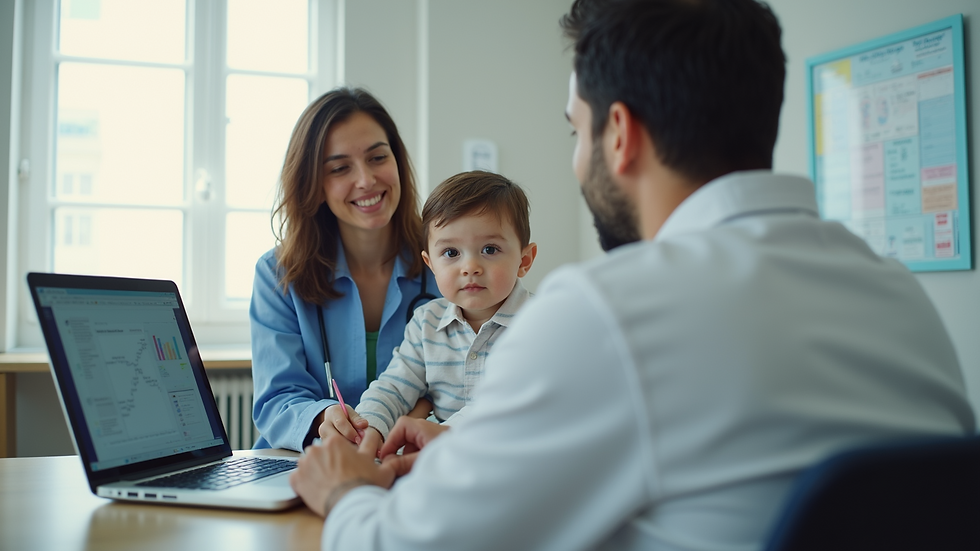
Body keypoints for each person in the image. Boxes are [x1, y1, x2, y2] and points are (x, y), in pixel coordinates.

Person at [290, 1, 976, 549]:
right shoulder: (901, 297)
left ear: (618, 135)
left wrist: (346, 489)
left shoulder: (604, 313)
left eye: (575, 132)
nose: (577, 156)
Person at [249, 87, 439, 452]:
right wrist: (322, 419)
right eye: (339, 168)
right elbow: (277, 399)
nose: (366, 180)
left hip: (413, 462)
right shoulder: (277, 275)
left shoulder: (449, 265)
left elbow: (469, 384)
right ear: (315, 185)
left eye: (377, 158)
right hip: (306, 464)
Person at [323, 171, 537, 444]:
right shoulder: (427, 322)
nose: (470, 267)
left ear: (524, 259)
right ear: (430, 263)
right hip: (444, 465)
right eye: (451, 253)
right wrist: (368, 426)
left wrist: (441, 434)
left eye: (490, 249)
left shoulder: (540, 321)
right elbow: (394, 387)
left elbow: (504, 402)